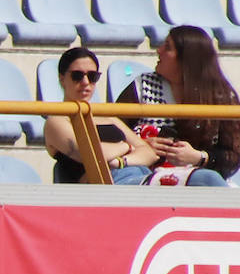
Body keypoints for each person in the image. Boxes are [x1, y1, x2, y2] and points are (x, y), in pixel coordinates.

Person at [115, 25, 240, 187]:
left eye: (168, 47)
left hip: (197, 181)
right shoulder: (142, 86)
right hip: (145, 176)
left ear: (187, 58)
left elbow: (232, 157)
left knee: (209, 181)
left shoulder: (221, 96)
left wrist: (198, 157)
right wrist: (141, 145)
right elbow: (113, 133)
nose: (159, 51)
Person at [45, 46, 157, 185]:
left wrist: (119, 161)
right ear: (62, 79)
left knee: (189, 179)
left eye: (92, 76)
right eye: (77, 76)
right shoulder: (57, 120)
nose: (85, 82)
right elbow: (90, 155)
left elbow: (149, 154)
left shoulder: (109, 118)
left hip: (138, 175)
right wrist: (125, 147)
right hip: (107, 183)